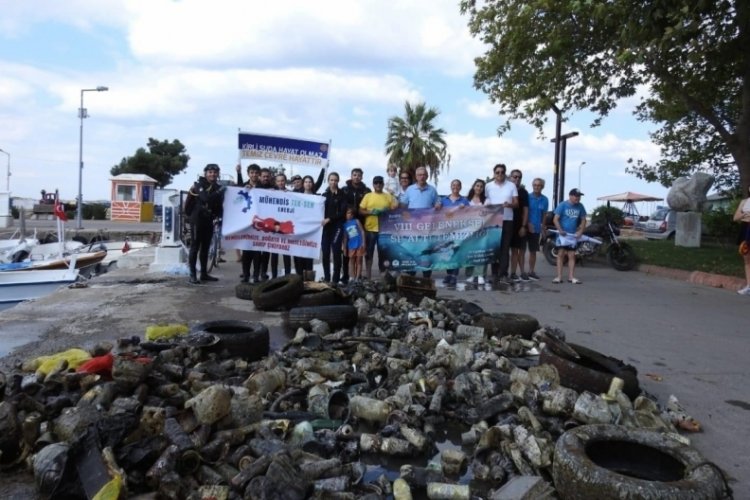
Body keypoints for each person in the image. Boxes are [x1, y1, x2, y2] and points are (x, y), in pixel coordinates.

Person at [185, 163, 225, 284]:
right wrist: (219, 192)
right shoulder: (199, 185)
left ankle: (203, 273)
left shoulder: (218, 187)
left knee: (206, 248)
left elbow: (219, 205)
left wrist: (219, 217)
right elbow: (205, 199)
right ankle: (192, 274)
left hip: (209, 220)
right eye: (210, 172)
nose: (213, 174)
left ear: (218, 174)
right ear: (205, 173)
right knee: (195, 247)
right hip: (197, 219)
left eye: (215, 172)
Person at [400, 166, 441, 277]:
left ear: (427, 176)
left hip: (427, 228)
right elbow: (402, 204)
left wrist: (438, 204)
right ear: (416, 177)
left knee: (426, 251)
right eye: (419, 175)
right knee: (413, 251)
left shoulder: (432, 190)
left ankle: (426, 276)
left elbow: (438, 202)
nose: (422, 177)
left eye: (424, 174)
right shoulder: (410, 189)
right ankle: (411, 275)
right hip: (412, 228)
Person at [359, 175, 398, 279]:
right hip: (370, 229)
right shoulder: (368, 196)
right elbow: (360, 210)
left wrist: (389, 210)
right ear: (373, 185)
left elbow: (395, 208)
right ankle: (368, 276)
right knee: (369, 253)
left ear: (383, 184)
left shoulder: (388, 196)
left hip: (384, 230)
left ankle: (383, 277)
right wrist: (370, 212)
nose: (378, 185)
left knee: (384, 254)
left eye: (380, 183)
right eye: (376, 183)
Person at [484, 163, 518, 282]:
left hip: (507, 220)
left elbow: (516, 203)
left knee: (505, 248)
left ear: (505, 173)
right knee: (494, 247)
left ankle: (503, 273)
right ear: (494, 174)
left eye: (502, 172)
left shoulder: (511, 185)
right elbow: (485, 200)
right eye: (497, 172)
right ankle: (494, 273)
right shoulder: (488, 186)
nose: (500, 174)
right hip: (493, 221)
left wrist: (510, 205)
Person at [341, 168, 371, 283]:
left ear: (362, 177)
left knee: (360, 253)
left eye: (359, 175)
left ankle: (359, 276)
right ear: (351, 176)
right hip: (347, 223)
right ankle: (347, 276)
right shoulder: (345, 189)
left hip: (361, 222)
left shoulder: (367, 190)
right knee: (348, 253)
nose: (356, 177)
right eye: (354, 175)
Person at [552, 188, 587, 284]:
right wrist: (560, 230)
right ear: (570, 196)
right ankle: (559, 277)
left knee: (572, 255)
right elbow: (555, 219)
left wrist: (580, 231)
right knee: (561, 254)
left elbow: (584, 219)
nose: (578, 198)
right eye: (576, 196)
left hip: (573, 235)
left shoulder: (580, 206)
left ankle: (571, 277)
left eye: (579, 196)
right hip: (562, 235)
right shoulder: (563, 205)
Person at [441, 179, 470, 285]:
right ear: (450, 186)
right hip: (446, 230)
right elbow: (438, 213)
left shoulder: (465, 201)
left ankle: (454, 275)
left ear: (460, 187)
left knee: (456, 251)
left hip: (459, 230)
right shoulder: (444, 200)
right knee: (448, 251)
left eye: (458, 185)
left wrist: (465, 209)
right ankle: (448, 274)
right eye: (453, 185)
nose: (455, 187)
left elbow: (470, 214)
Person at [321, 172, 347, 283]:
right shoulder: (324, 195)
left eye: (335, 180)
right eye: (331, 180)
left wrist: (330, 219)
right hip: (326, 229)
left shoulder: (342, 194)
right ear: (328, 181)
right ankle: (327, 278)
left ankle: (335, 279)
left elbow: (342, 212)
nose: (333, 182)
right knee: (325, 253)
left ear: (338, 181)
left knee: (336, 253)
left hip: (337, 227)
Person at [237, 163, 261, 282]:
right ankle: (246, 274)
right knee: (246, 251)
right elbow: (237, 196)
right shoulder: (244, 186)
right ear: (248, 174)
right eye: (252, 172)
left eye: (256, 173)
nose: (254, 175)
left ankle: (256, 275)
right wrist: (238, 172)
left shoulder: (263, 188)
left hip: (258, 224)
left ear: (259, 174)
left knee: (257, 252)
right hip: (246, 223)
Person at [294, 175, 318, 277]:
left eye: (310, 182)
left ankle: (309, 280)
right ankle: (299, 278)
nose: (308, 184)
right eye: (306, 182)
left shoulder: (318, 198)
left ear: (312, 184)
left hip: (311, 231)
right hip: (299, 230)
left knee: (309, 255)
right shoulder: (296, 196)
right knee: (298, 255)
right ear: (303, 184)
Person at [509, 169, 530, 282]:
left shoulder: (523, 192)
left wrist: (523, 226)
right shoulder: (506, 190)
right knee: (512, 251)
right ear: (510, 177)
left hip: (519, 225)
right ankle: (512, 272)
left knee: (521, 250)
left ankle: (522, 272)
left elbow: (526, 210)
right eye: (515, 177)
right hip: (507, 224)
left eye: (519, 177)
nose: (517, 179)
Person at [526, 177, 549, 281]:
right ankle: (520, 272)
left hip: (536, 229)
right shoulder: (527, 197)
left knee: (533, 251)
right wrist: (527, 223)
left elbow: (544, 215)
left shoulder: (545, 200)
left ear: (542, 187)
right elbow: (524, 212)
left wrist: (543, 227)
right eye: (535, 185)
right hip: (525, 227)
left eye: (539, 185)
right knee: (520, 251)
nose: (536, 187)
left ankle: (531, 271)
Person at [465, 179, 487, 285]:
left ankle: (480, 275)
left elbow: (490, 213)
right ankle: (470, 274)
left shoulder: (486, 201)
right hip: (469, 230)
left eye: (481, 186)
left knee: (481, 252)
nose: (479, 188)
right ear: (474, 186)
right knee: (470, 252)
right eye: (477, 186)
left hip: (482, 229)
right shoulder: (467, 200)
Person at [733, 185, 750, 295]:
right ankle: (749, 286)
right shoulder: (744, 202)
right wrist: (745, 214)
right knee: (746, 257)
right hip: (746, 228)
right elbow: (735, 217)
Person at [342, 206, 366, 281]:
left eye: (350, 213)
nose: (349, 215)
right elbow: (345, 237)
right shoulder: (345, 225)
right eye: (347, 213)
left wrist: (363, 242)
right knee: (351, 261)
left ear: (353, 215)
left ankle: (357, 277)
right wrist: (344, 248)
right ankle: (352, 276)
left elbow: (362, 231)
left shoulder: (356, 221)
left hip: (359, 244)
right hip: (351, 245)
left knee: (359, 261)